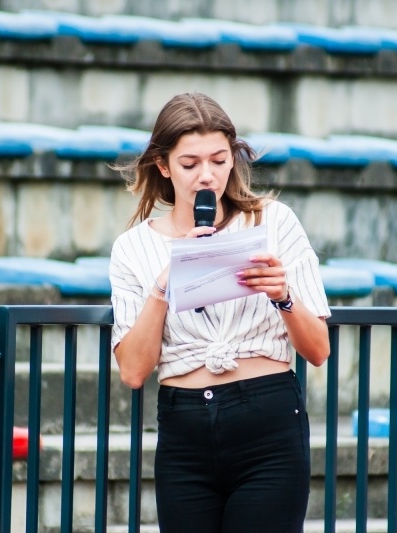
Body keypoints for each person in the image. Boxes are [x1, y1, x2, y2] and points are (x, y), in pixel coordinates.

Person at [110, 92, 331, 533]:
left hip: (266, 418)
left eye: (219, 160)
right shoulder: (133, 247)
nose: (206, 176)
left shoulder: (273, 222)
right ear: (164, 165)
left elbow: (319, 349)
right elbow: (134, 371)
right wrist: (164, 282)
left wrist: (283, 295)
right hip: (184, 427)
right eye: (190, 164)